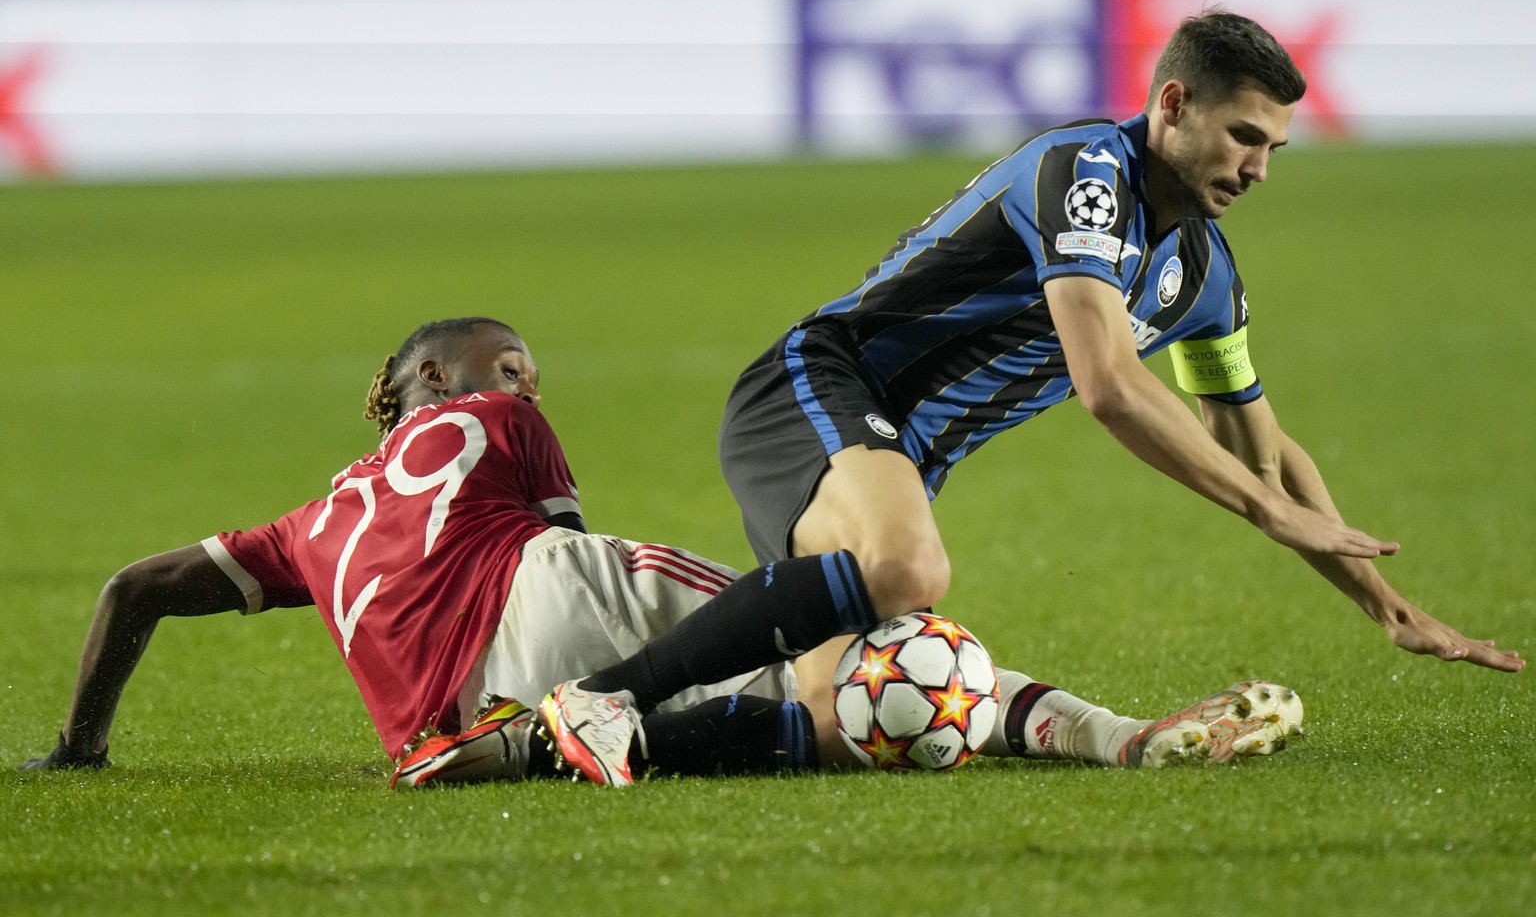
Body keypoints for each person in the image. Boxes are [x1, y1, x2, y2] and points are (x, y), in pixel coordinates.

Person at [538, 9, 1524, 787]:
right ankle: (603, 695)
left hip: (897, 459)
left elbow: (1269, 454)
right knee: (907, 565)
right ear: (1173, 103)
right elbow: (1107, 384)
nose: (1258, 168)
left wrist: (1387, 606)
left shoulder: (1203, 276)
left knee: (897, 701)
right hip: (819, 385)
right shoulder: (1087, 173)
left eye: (1273, 148)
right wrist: (1263, 509)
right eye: (1243, 136)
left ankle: (568, 742)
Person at [19, 316, 1303, 786]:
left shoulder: (305, 526)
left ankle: (559, 739)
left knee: (830, 695)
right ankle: (1106, 732)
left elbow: (135, 587)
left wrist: (82, 746)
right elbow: (569, 563)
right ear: (430, 379)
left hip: (437, 731)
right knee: (859, 643)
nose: (525, 375)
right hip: (539, 605)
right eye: (501, 360)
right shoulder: (498, 421)